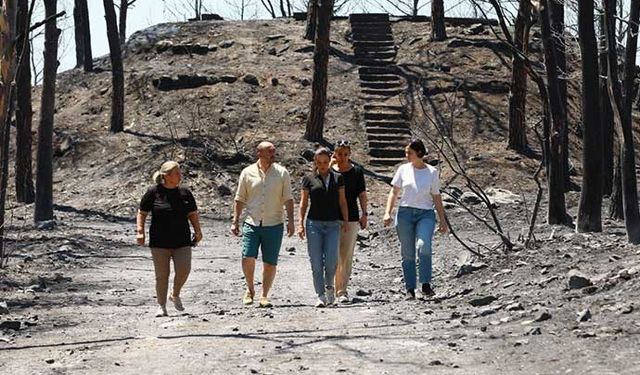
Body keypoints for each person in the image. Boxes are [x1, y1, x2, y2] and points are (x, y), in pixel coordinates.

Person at [383, 139, 448, 300]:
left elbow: (436, 196)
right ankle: (410, 288)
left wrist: (442, 219)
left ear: (419, 153)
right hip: (404, 214)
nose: (406, 155)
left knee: (423, 246)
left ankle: (425, 284)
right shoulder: (403, 169)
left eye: (409, 152)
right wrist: (387, 212)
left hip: (425, 214)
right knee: (408, 253)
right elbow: (394, 192)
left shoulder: (432, 172)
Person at [232, 141, 295, 308]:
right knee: (247, 257)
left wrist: (291, 221)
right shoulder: (247, 173)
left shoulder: (282, 173)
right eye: (269, 151)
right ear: (259, 153)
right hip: (252, 222)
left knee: (270, 262)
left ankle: (264, 295)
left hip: (274, 224)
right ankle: (249, 288)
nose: (273, 154)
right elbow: (239, 198)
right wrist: (235, 220)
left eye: (274, 151)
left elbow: (288, 198)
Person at [137, 161, 203, 317]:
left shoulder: (185, 193)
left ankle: (175, 293)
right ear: (166, 176)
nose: (180, 176)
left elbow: (192, 214)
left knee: (184, 269)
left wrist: (198, 231)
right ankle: (161, 305)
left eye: (180, 173)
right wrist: (140, 231)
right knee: (161, 275)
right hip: (159, 241)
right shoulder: (153, 192)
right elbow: (142, 212)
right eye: (177, 173)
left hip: (182, 240)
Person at [298, 147, 349, 307]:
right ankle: (320, 295)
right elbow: (304, 202)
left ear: (330, 160)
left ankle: (329, 288)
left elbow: (342, 201)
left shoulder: (338, 178)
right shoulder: (309, 179)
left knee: (331, 260)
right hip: (314, 224)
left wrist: (346, 220)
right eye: (319, 162)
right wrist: (300, 223)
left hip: (333, 224)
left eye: (325, 162)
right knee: (316, 261)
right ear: (315, 162)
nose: (322, 165)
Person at [330, 140, 368, 303]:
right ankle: (330, 287)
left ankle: (342, 290)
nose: (342, 158)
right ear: (334, 154)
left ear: (350, 154)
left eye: (345, 154)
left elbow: (362, 194)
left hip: (351, 218)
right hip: (330, 217)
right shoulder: (329, 171)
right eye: (339, 154)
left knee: (346, 255)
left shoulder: (357, 172)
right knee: (332, 255)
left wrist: (364, 213)